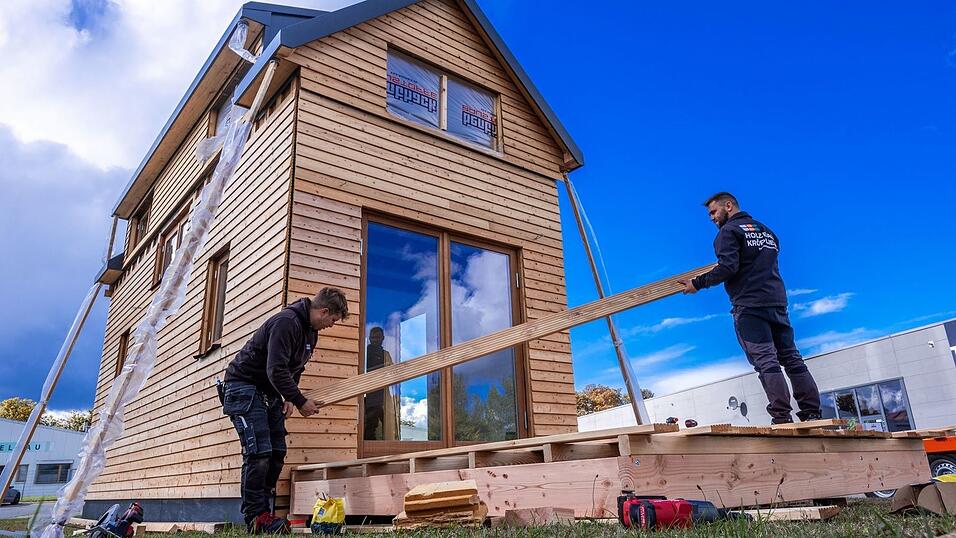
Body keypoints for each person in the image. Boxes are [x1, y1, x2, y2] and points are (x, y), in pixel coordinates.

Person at [678, 192, 822, 424]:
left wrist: (697, 283)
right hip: (776, 303)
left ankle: (781, 417)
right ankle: (811, 412)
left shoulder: (728, 232)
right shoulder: (767, 232)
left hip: (750, 306)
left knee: (766, 361)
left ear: (729, 205)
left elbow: (728, 267)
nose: (712, 218)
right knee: (792, 358)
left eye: (713, 212)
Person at [221, 287, 349, 533]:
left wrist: (290, 397)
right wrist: (300, 401)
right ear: (324, 311)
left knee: (277, 452)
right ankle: (255, 517)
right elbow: (276, 369)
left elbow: (294, 369)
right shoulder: (286, 323)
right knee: (259, 452)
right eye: (333, 320)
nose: (332, 325)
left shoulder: (310, 334)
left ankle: (266, 514)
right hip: (243, 386)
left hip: (267, 392)